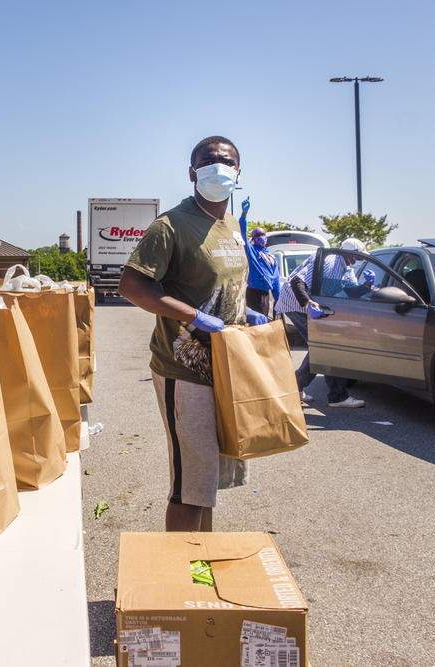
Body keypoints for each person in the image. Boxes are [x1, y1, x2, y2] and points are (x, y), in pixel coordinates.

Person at [119, 136, 267, 532]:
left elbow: (223, 282)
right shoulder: (170, 226)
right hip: (184, 370)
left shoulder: (231, 225)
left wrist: (243, 312)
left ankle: (203, 564)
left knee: (208, 482)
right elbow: (132, 287)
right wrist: (195, 318)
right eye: (209, 161)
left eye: (227, 162)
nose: (219, 167)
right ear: (192, 172)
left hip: (225, 368)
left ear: (238, 173)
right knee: (189, 484)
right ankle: (182, 578)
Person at [274, 237, 373, 408]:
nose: (357, 260)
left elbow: (350, 291)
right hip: (297, 304)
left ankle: (296, 387)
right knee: (325, 347)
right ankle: (337, 396)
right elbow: (297, 281)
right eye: (356, 256)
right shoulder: (330, 261)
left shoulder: (346, 268)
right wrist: (307, 303)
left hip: (314, 306)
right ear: (347, 253)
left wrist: (367, 286)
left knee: (321, 347)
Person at [237, 197, 280, 318]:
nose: (261, 237)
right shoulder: (251, 250)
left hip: (266, 294)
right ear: (254, 238)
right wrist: (244, 214)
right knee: (257, 322)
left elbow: (275, 279)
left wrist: (279, 299)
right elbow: (243, 233)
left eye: (263, 234)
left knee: (264, 321)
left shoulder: (271, 256)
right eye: (257, 235)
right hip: (254, 292)